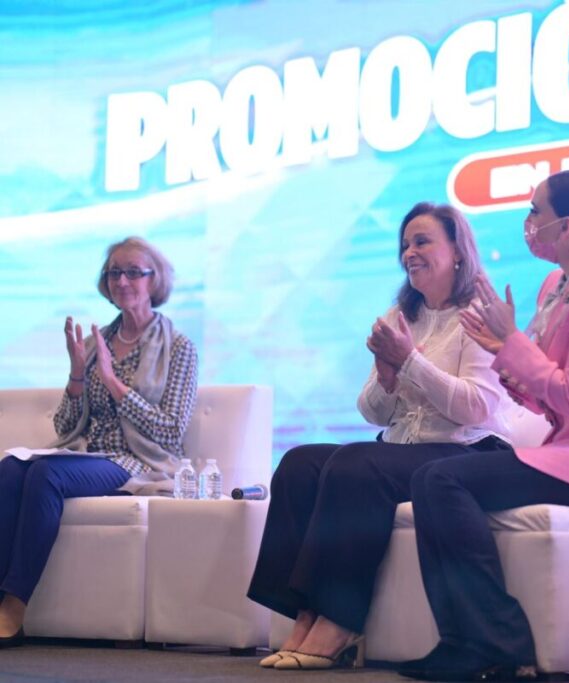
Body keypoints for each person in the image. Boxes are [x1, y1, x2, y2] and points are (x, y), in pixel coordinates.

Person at [399, 169, 569, 681]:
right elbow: (546, 399)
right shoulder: (557, 284)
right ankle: (466, 640)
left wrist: (512, 343)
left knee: (441, 478)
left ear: (566, 226)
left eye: (534, 212)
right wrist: (502, 350)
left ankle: (494, 641)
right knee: (433, 478)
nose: (528, 222)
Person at [247, 202, 513, 671]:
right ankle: (305, 613)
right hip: (405, 449)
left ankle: (340, 621)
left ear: (457, 251)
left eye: (422, 241)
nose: (409, 252)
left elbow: (476, 407)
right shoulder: (401, 314)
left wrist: (410, 362)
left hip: (465, 450)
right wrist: (387, 378)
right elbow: (372, 412)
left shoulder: (479, 315)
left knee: (356, 464)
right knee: (299, 463)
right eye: (405, 244)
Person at [0, 236, 198, 648]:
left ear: (154, 280)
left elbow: (171, 431)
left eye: (133, 272)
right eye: (114, 273)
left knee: (46, 475)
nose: (122, 281)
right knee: (11, 468)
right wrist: (78, 374)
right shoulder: (94, 344)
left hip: (138, 461)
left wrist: (113, 383)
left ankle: (14, 607)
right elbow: (65, 425)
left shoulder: (179, 348)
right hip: (88, 454)